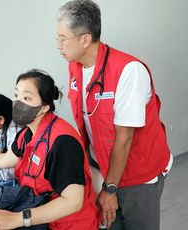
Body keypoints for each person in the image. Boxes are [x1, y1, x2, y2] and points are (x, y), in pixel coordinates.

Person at [56, 1, 173, 229]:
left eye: (62, 38)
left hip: (138, 174)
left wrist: (111, 189)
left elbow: (125, 137)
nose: (58, 45)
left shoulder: (129, 71)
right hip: (102, 167)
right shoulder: (76, 66)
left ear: (85, 40)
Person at [0, 69, 99, 229]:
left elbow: (73, 201)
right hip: (38, 211)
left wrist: (18, 219)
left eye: (26, 98)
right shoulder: (26, 134)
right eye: (16, 95)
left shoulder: (62, 142)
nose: (18, 103)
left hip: (66, 224)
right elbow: (6, 160)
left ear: (45, 107)